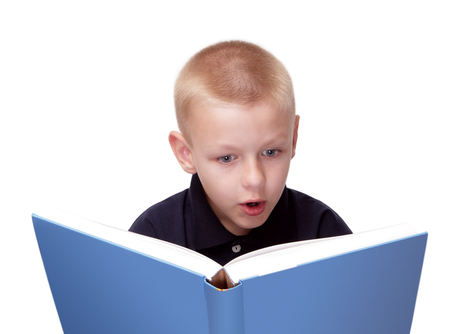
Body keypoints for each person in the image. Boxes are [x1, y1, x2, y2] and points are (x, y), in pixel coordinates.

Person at [130, 40, 351, 265]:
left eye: (271, 152)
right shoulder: (152, 238)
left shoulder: (323, 233)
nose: (254, 179)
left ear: (293, 139)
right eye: (226, 158)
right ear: (186, 153)